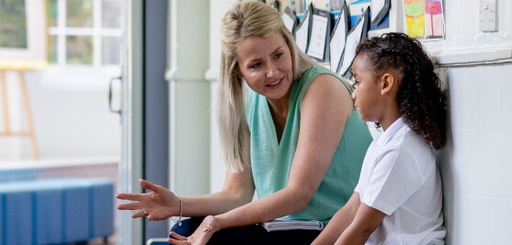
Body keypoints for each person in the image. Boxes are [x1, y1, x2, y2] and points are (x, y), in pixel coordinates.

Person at [116, 1, 372, 244]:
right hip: (285, 226)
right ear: (238, 70)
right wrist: (178, 205)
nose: (272, 71)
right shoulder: (251, 101)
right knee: (186, 229)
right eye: (256, 65)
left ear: (289, 44)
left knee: (215, 236)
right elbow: (236, 195)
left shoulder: (322, 88)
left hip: (333, 227)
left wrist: (216, 223)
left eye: (278, 55)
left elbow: (298, 196)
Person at [311, 32, 447, 245]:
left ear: (385, 84)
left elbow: (362, 228)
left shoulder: (401, 149)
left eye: (357, 82)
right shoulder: (385, 142)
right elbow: (351, 209)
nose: (353, 93)